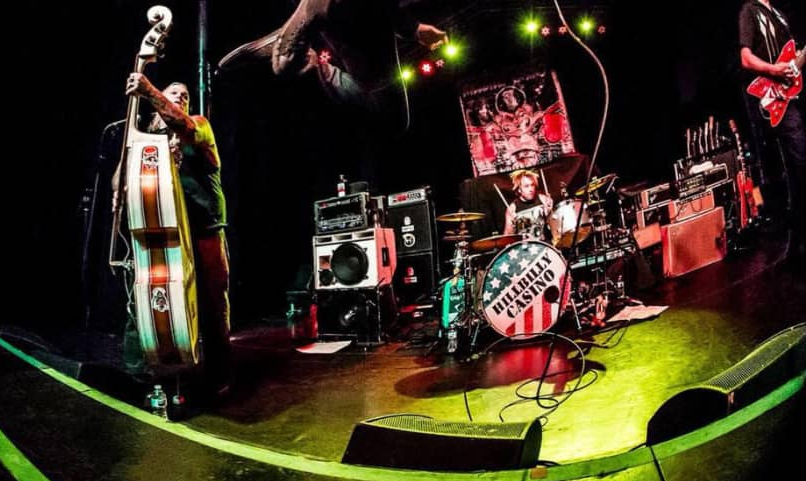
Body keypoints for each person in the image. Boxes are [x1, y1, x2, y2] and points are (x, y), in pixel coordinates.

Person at [124, 74, 233, 402]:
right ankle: (142, 373)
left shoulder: (198, 125)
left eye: (185, 95)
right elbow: (122, 180)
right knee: (144, 296)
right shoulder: (149, 142)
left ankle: (218, 375)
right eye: (174, 92)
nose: (181, 96)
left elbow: (184, 125)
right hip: (164, 229)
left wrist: (148, 90)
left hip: (204, 228)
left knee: (213, 303)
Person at [218, 0, 448, 138]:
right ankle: (303, 55)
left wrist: (414, 28)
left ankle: (301, 55)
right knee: (393, 120)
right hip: (353, 20)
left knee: (389, 116)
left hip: (352, 19)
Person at [738, 0, 806, 259]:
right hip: (770, 99)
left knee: (797, 170)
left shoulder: (780, 15)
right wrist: (773, 70)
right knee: (795, 165)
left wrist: (792, 66)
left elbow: (791, 57)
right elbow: (746, 58)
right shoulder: (749, 10)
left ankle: (796, 242)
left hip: (788, 97)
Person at [503, 169, 554, 240]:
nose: (531, 189)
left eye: (532, 185)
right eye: (526, 186)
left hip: (544, 243)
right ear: (519, 189)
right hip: (526, 245)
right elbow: (507, 237)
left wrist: (549, 214)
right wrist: (513, 224)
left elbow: (555, 226)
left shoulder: (543, 199)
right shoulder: (512, 208)